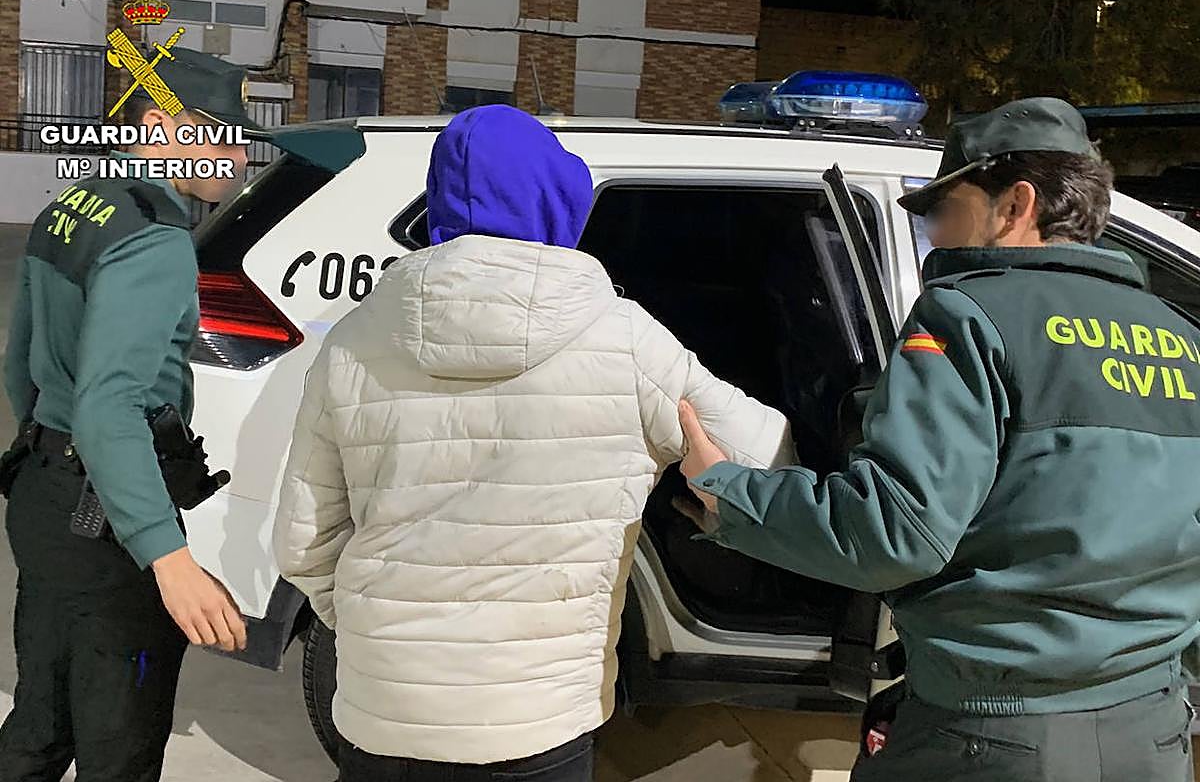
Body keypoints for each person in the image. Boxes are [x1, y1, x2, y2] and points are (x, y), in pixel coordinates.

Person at [676, 97, 1200, 781]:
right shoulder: (1182, 339)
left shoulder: (968, 315)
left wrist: (728, 494)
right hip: (1153, 730)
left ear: (1015, 206)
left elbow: (895, 532)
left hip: (992, 733)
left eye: (942, 210)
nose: (932, 235)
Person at [272, 104, 794, 782]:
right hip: (539, 719)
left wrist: (382, 632)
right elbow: (764, 461)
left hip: (383, 713)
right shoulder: (627, 341)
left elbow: (301, 541)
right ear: (556, 199)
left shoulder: (352, 340)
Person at [0, 48, 256, 782]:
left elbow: (21, 363)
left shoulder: (75, 206)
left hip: (49, 499)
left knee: (40, 725)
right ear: (158, 127)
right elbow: (110, 405)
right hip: (105, 526)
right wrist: (167, 559)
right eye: (218, 134)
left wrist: (50, 457)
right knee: (121, 749)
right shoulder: (156, 240)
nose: (236, 153)